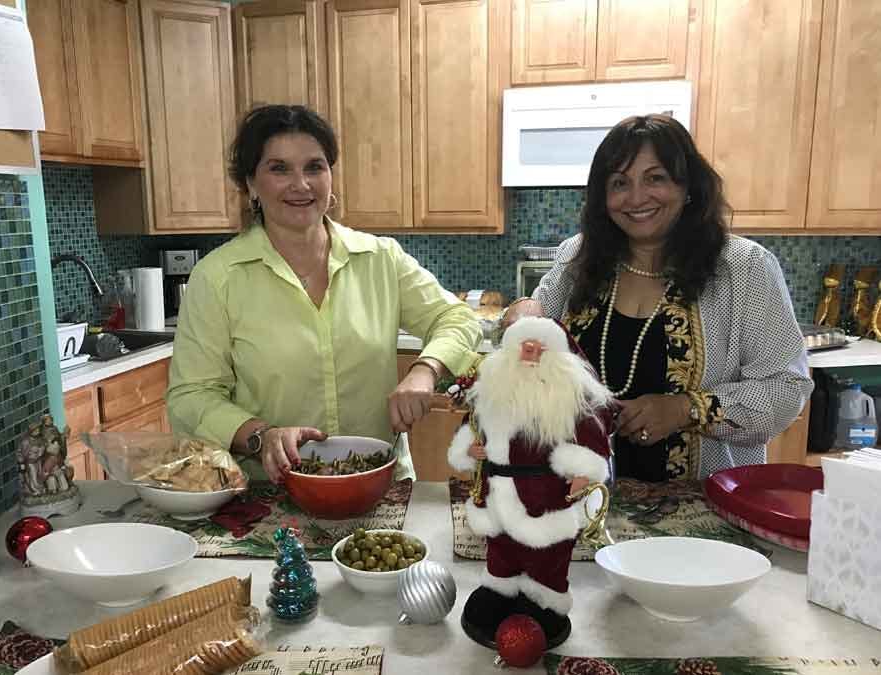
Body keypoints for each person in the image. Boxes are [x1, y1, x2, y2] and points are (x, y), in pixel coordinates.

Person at [166, 104, 482, 483]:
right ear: (250, 183)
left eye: (314, 167)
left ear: (331, 176)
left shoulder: (380, 259)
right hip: (274, 496)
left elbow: (457, 317)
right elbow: (191, 398)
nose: (300, 184)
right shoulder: (217, 278)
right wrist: (260, 436)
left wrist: (424, 370)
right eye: (279, 168)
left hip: (380, 485)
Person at [505, 114, 813, 481]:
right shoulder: (578, 256)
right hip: (576, 501)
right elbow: (535, 324)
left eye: (655, 178)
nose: (636, 197)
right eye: (620, 182)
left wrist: (685, 409)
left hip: (700, 507)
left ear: (688, 187)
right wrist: (523, 312)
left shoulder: (743, 267)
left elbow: (785, 388)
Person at [448, 316, 613, 647]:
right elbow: (472, 430)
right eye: (526, 348)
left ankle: (544, 599)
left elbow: (593, 440)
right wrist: (470, 449)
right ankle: (500, 588)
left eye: (540, 350)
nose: (532, 356)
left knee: (547, 556)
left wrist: (584, 471)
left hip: (547, 496)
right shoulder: (492, 395)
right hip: (498, 493)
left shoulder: (571, 401)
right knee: (502, 550)